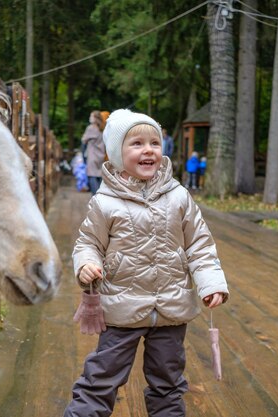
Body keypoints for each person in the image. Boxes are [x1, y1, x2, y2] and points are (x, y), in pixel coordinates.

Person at [64, 109, 229, 417]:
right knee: (101, 378)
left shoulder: (178, 196)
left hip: (170, 309)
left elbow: (199, 244)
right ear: (116, 153)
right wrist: (86, 264)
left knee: (168, 381)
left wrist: (211, 283)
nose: (148, 149)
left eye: (154, 142)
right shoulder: (105, 202)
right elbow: (88, 243)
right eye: (137, 143)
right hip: (122, 309)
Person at [82, 111, 106, 195]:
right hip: (101, 155)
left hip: (92, 155)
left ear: (95, 118)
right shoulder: (103, 129)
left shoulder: (91, 128)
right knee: (99, 175)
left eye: (91, 116)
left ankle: (96, 196)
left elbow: (84, 140)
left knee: (92, 175)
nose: (90, 118)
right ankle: (101, 195)